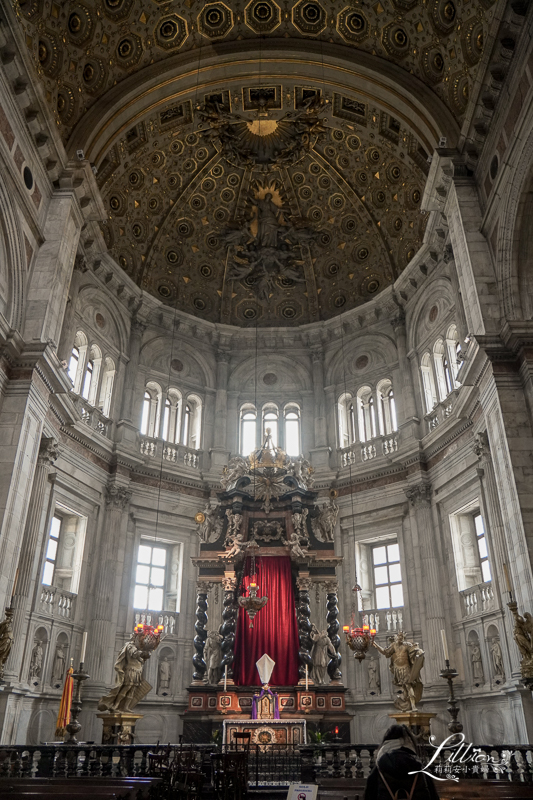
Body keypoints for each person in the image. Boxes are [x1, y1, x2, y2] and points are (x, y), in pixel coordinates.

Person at [364, 724, 439, 800]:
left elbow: (368, 796)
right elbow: (433, 796)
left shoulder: (378, 769)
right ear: (410, 741)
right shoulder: (420, 768)